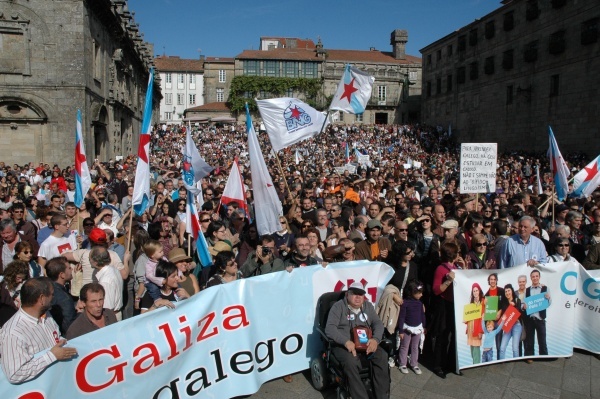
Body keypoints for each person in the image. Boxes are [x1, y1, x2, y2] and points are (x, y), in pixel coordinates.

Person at [0, 277, 77, 383]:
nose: (54, 298)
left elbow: (56, 338)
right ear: (41, 299)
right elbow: (15, 374)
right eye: (52, 295)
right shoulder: (13, 332)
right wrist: (51, 356)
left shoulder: (47, 315)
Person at [324, 282, 389, 399]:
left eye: (361, 294)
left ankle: (382, 396)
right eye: (354, 294)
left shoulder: (368, 306)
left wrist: (375, 339)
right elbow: (330, 328)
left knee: (382, 356)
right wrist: (346, 341)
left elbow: (378, 324)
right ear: (347, 294)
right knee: (351, 362)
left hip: (365, 342)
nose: (358, 297)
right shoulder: (338, 307)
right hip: (343, 345)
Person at [430, 242, 466, 378]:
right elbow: (436, 290)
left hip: (456, 304)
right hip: (444, 305)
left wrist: (464, 267)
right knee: (443, 335)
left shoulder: (457, 267)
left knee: (455, 336)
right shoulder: (440, 269)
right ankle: (438, 365)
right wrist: (448, 281)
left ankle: (452, 363)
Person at [397, 280, 426, 375]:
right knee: (404, 346)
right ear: (412, 292)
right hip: (406, 328)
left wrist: (424, 327)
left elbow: (422, 316)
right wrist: (401, 330)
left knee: (415, 347)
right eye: (419, 293)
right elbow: (401, 317)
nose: (421, 295)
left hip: (418, 328)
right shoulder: (405, 303)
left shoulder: (420, 303)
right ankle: (402, 363)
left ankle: (414, 364)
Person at [89, 246, 124, 320]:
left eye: (90, 258)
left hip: (110, 318)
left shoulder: (105, 281)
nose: (89, 260)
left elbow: (107, 308)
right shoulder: (114, 270)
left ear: (95, 262)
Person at [524, 268, 551, 362]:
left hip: (540, 318)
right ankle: (529, 356)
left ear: (539, 277)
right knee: (530, 339)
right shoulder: (527, 290)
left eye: (536, 276)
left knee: (542, 340)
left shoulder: (545, 288)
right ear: (531, 278)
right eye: (533, 276)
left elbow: (549, 303)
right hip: (530, 319)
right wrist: (524, 306)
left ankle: (543, 356)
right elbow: (524, 303)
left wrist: (548, 299)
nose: (535, 278)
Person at [46, 256, 76, 335]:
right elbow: (69, 326)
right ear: (62, 275)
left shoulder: (45, 288)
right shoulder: (65, 298)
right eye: (69, 268)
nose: (72, 269)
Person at [0, 260, 29, 326]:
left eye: (23, 278)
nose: (21, 280)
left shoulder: (24, 284)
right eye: (18, 278)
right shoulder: (3, 286)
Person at [498, 283, 523, 360]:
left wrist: (514, 306)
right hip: (507, 326)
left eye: (508, 291)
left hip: (516, 325)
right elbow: (503, 315)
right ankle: (502, 364)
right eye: (506, 291)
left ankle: (517, 365)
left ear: (512, 291)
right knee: (502, 348)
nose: (507, 293)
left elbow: (519, 314)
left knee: (515, 348)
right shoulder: (503, 302)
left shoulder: (517, 300)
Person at [465, 282, 485, 365]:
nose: (476, 292)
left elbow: (483, 318)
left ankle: (476, 364)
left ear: (479, 291)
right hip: (470, 328)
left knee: (476, 348)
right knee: (472, 348)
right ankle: (474, 363)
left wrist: (481, 330)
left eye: (477, 290)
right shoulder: (471, 302)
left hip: (477, 328)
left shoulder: (483, 302)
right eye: (474, 291)